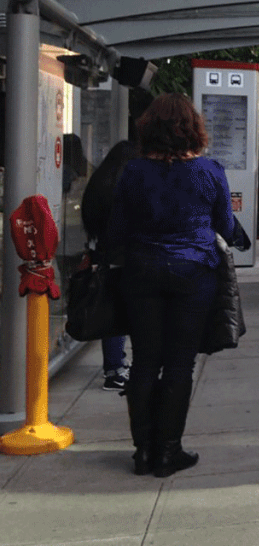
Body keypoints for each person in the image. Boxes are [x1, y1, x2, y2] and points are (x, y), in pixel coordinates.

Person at [107, 93, 236, 478]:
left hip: (141, 273)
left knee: (145, 361)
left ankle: (143, 452)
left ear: (149, 129)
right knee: (180, 364)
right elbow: (226, 228)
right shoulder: (210, 171)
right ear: (193, 130)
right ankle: (168, 451)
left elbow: (117, 227)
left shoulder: (132, 171)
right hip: (194, 274)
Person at [80, 140, 138, 392]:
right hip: (128, 257)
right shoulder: (127, 187)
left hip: (104, 256)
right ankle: (116, 369)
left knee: (113, 312)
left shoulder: (99, 185)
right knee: (130, 312)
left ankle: (114, 367)